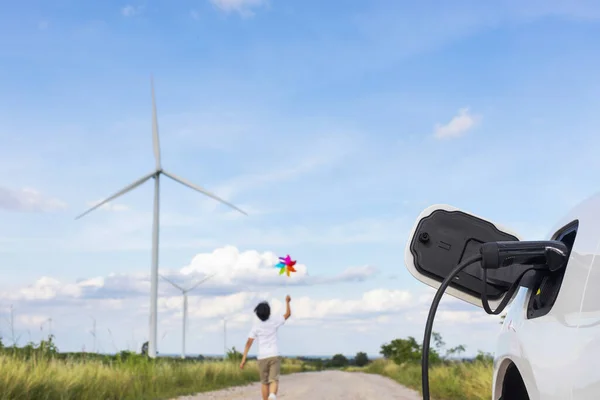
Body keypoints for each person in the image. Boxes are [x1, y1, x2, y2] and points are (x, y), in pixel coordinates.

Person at [240, 295, 292, 400]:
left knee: (264, 383)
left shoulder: (256, 326)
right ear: (269, 312)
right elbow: (288, 314)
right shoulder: (274, 320)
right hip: (274, 354)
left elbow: (249, 343)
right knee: (274, 380)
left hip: (262, 357)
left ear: (258, 314)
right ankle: (272, 395)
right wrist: (287, 302)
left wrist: (243, 358)